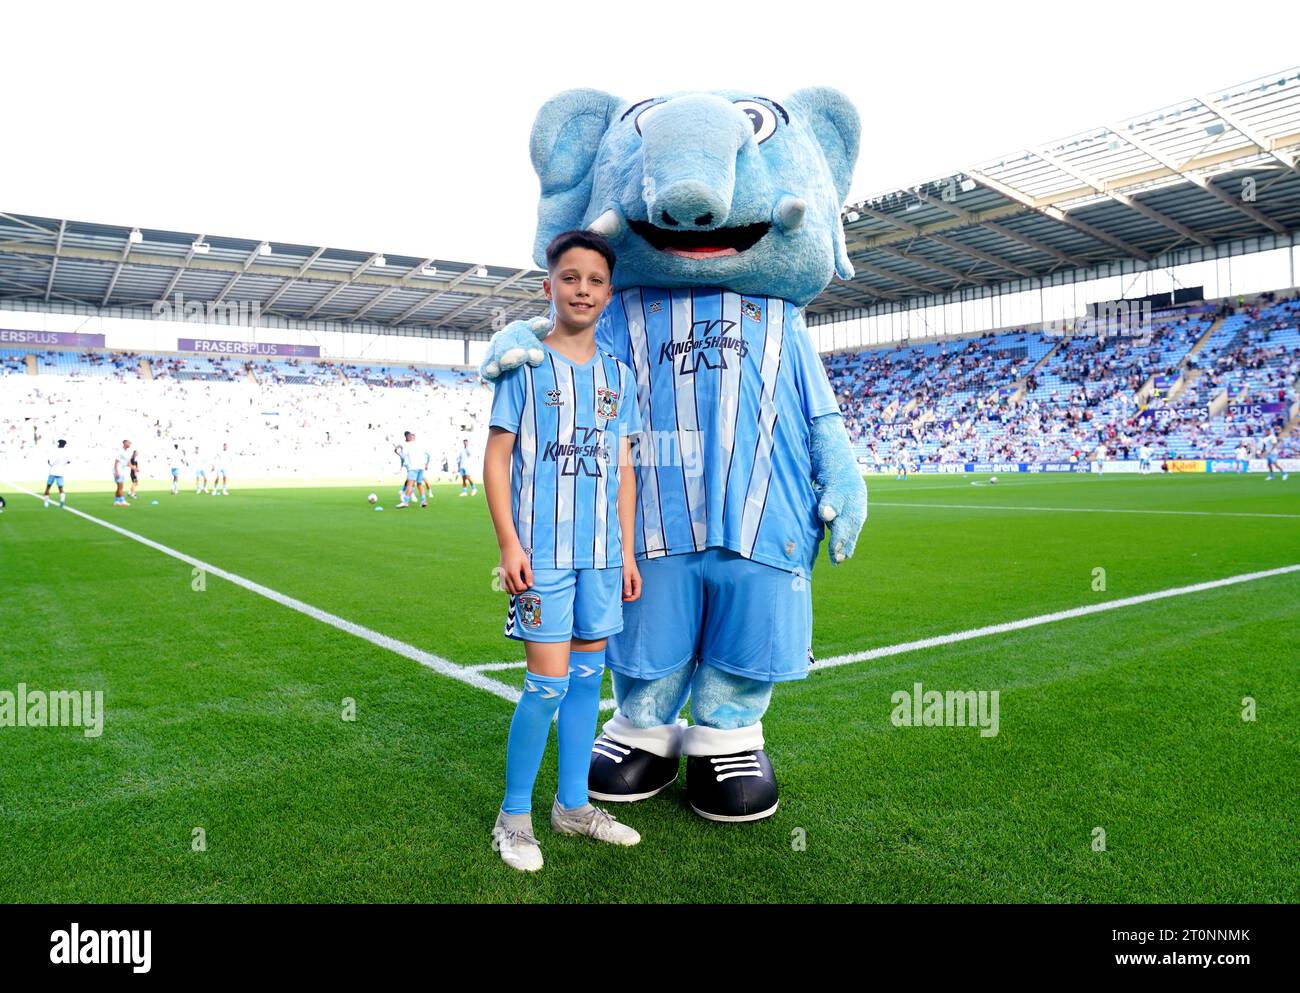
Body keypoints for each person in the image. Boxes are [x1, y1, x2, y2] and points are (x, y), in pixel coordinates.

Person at [483, 230, 643, 871]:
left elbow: (624, 467)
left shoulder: (618, 377)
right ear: (549, 286)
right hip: (542, 555)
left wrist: (628, 553)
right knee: (545, 686)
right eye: (570, 277)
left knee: (586, 683)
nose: (582, 289)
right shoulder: (525, 366)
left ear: (609, 292)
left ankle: (573, 807)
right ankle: (514, 817)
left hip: (602, 556)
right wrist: (508, 544)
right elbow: (496, 459)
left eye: (595, 280)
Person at [44, 438, 70, 508]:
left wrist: (49, 462)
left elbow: (50, 462)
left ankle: (46, 503)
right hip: (61, 472)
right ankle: (62, 501)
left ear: (58, 444)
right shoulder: (66, 452)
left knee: (48, 487)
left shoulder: (55, 452)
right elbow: (68, 461)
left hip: (53, 471)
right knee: (60, 488)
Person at [112, 440, 131, 507]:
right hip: (118, 471)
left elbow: (128, 464)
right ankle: (123, 501)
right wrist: (116, 471)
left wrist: (134, 468)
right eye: (128, 442)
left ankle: (116, 501)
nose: (130, 444)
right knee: (120, 487)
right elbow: (116, 462)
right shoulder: (120, 451)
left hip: (122, 472)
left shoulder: (128, 453)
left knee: (119, 487)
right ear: (124, 443)